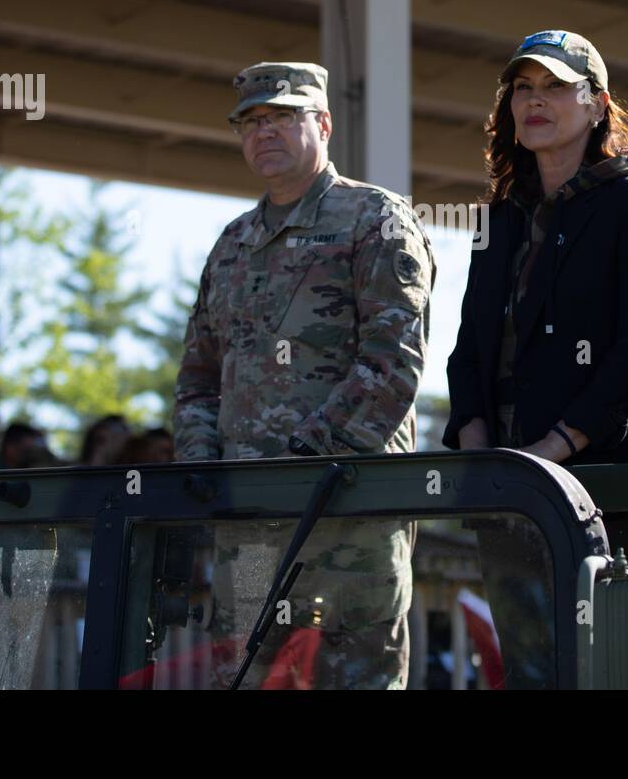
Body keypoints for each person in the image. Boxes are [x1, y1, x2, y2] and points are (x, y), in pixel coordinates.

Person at [174, 61, 434, 690]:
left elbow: (393, 362)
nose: (264, 133)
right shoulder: (232, 244)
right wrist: (201, 468)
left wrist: (306, 464)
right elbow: (198, 378)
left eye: (282, 118)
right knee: (242, 679)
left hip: (349, 516)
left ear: (322, 124)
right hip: (248, 530)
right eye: (251, 123)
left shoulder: (374, 219)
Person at [442, 29, 628, 687]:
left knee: (613, 672)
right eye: (523, 88)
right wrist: (479, 441)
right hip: (508, 488)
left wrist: (558, 444)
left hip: (605, 485)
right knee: (531, 675)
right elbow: (467, 350)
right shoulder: (500, 218)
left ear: (598, 103)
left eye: (554, 86)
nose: (534, 101)